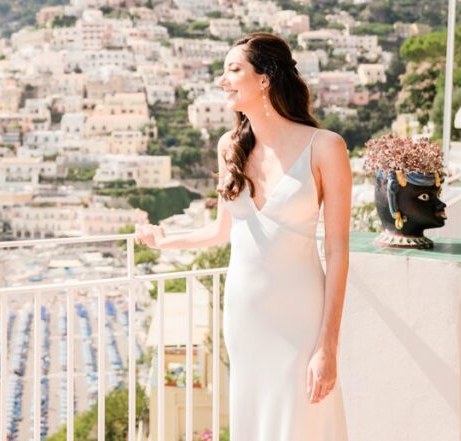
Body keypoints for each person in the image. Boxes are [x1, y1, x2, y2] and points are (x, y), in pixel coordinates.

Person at [136, 32, 350, 440]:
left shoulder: (325, 147)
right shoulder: (229, 147)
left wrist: (328, 346)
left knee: (302, 423)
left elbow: (338, 252)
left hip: (300, 319)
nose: (223, 81)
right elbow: (222, 231)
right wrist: (165, 241)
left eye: (233, 70)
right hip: (244, 319)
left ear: (265, 78)